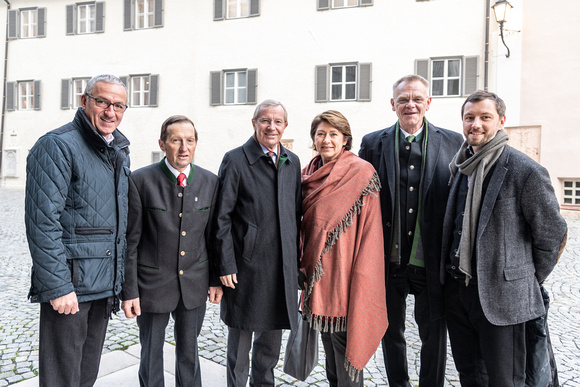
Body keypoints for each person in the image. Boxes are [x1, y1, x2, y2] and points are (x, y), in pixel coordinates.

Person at [440, 90, 568, 386]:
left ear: (501, 121)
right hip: (460, 294)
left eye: (485, 117)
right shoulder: (461, 167)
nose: (476, 124)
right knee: (470, 374)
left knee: (505, 380)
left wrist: (522, 279)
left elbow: (552, 234)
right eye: (469, 117)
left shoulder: (525, 171)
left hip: (503, 299)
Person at [24, 74, 130, 386]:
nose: (111, 111)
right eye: (103, 102)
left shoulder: (118, 151)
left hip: (102, 283)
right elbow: (42, 223)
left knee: (86, 375)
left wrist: (119, 280)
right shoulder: (57, 145)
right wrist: (57, 287)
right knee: (61, 377)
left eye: (119, 105)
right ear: (84, 102)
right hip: (71, 286)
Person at [359, 74, 463, 387]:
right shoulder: (372, 142)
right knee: (392, 333)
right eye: (403, 99)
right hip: (388, 260)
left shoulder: (454, 142)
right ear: (393, 104)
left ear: (428, 103)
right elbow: (363, 199)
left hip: (431, 260)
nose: (411, 104)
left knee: (434, 334)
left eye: (417, 98)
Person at [120, 115, 223, 386]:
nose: (183, 147)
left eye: (189, 140)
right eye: (176, 140)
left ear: (196, 143)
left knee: (189, 351)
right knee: (151, 352)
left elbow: (213, 236)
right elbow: (131, 242)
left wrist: (214, 279)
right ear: (162, 143)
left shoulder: (210, 182)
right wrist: (129, 291)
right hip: (151, 285)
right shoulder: (140, 181)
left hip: (194, 283)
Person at [215, 99, 302, 387]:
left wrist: (297, 264)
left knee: (269, 348)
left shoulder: (292, 161)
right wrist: (225, 264)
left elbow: (297, 215)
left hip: (281, 269)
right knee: (239, 348)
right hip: (245, 268)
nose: (271, 126)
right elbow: (221, 218)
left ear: (285, 126)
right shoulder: (236, 159)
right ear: (254, 124)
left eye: (278, 122)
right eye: (265, 120)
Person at [300, 110, 388, 386]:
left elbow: (371, 234)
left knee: (346, 359)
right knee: (331, 360)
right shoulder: (307, 174)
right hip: (318, 281)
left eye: (333, 134)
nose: (326, 140)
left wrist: (363, 282)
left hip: (347, 282)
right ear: (313, 138)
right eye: (320, 134)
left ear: (345, 139)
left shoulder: (361, 173)